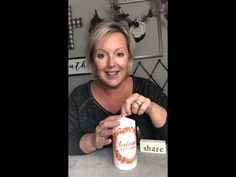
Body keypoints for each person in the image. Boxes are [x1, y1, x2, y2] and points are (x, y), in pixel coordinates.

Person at [69, 21, 168, 155]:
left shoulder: (147, 89)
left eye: (119, 54)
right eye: (101, 55)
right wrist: (93, 140)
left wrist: (151, 108)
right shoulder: (78, 97)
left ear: (129, 59)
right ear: (92, 61)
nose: (111, 64)